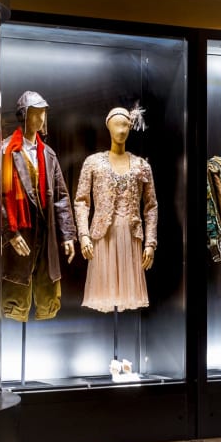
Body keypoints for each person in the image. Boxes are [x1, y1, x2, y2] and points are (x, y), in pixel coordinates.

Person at [0, 91, 77, 321]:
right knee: (16, 288)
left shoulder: (48, 154)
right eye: (35, 113)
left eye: (43, 112)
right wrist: (10, 231)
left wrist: (67, 235)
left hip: (46, 232)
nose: (41, 117)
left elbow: (61, 197)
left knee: (47, 289)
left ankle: (45, 311)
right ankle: (15, 313)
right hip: (20, 233)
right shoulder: (5, 151)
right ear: (23, 115)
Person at [74, 105, 158, 312]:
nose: (120, 130)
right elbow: (82, 201)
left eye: (124, 125)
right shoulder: (92, 163)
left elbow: (151, 206)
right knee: (106, 293)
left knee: (126, 295)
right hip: (103, 237)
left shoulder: (141, 166)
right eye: (116, 125)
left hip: (131, 237)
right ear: (108, 128)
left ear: (130, 127)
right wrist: (83, 235)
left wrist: (151, 242)